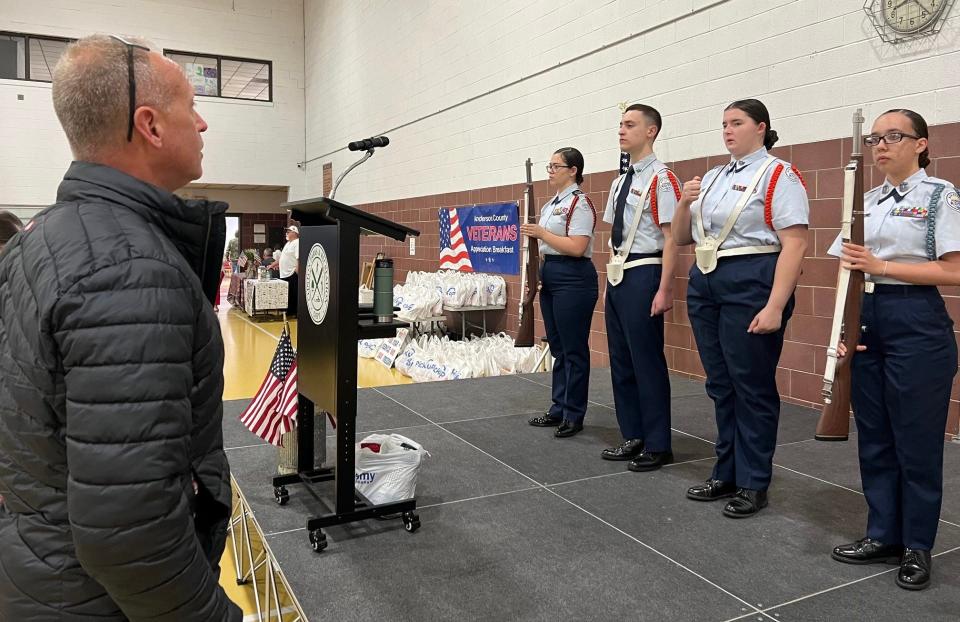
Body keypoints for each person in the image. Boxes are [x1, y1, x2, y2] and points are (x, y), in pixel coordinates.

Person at [0, 34, 241, 620]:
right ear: (151, 125)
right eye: (191, 106)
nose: (203, 124)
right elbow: (131, 532)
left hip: (43, 575)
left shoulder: (43, 241)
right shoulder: (127, 269)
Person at [827, 109, 960, 591]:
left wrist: (882, 263)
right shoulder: (865, 201)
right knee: (876, 436)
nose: (882, 145)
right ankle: (882, 532)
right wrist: (841, 328)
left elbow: (954, 270)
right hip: (868, 317)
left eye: (894, 136)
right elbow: (845, 269)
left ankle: (917, 546)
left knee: (917, 443)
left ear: (921, 143)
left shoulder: (940, 196)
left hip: (916, 319)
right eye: (877, 137)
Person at [671, 99, 809, 518]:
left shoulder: (778, 174)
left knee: (751, 385)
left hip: (752, 277)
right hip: (707, 279)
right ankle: (726, 469)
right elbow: (680, 239)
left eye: (737, 123)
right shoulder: (711, 177)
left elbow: (796, 243)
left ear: (761, 128)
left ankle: (754, 481)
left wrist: (775, 305)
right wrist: (683, 202)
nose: (728, 131)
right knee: (720, 382)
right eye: (724, 124)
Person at [599, 104, 681, 471]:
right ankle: (632, 433)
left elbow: (671, 238)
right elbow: (612, 236)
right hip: (619, 274)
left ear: (651, 132)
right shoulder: (620, 181)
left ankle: (659, 442)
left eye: (630, 125)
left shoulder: (663, 180)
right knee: (621, 360)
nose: (621, 130)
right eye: (620, 124)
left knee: (646, 361)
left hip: (646, 270)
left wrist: (664, 290)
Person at [522, 147, 598, 438]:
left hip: (574, 276)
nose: (551, 170)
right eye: (549, 166)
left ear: (573, 170)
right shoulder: (551, 204)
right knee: (557, 345)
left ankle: (574, 413)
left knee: (574, 348)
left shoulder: (579, 203)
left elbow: (578, 247)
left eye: (556, 166)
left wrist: (542, 233)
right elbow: (546, 248)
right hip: (552, 274)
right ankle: (559, 407)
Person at [270, 225, 299, 314]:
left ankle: (293, 312)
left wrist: (296, 271)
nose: (287, 233)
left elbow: (299, 258)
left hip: (292, 273)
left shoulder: (297, 242)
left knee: (293, 294)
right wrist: (272, 265)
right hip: (284, 274)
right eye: (287, 231)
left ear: (294, 233)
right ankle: (288, 311)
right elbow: (282, 257)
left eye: (289, 231)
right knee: (287, 294)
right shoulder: (287, 243)